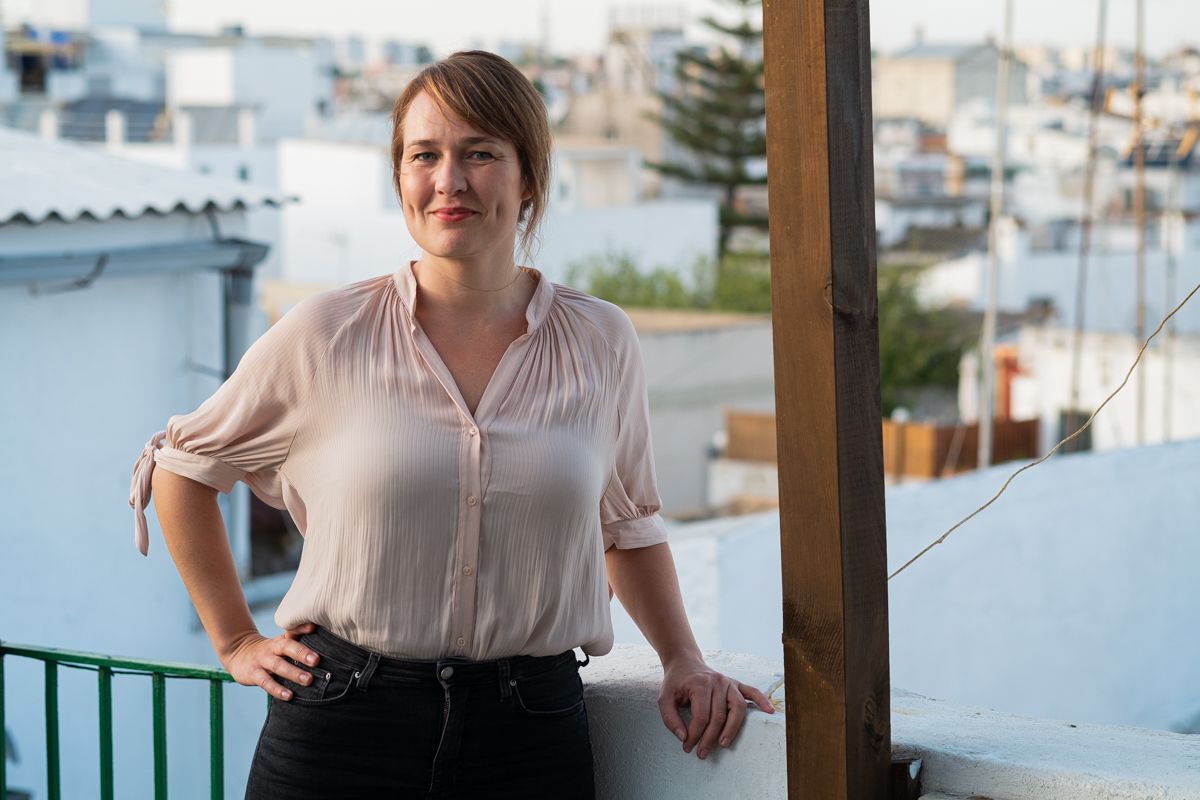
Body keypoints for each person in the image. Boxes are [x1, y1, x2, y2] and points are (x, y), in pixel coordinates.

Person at [129, 50, 773, 799]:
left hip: (529, 735)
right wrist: (235, 639)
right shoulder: (325, 334)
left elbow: (625, 525)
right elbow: (182, 468)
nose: (449, 180)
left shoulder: (601, 341)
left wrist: (681, 658)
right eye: (423, 155)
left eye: (480, 154)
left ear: (529, 176)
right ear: (400, 177)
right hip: (341, 730)